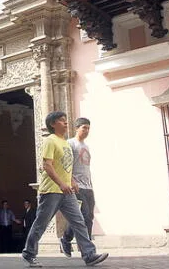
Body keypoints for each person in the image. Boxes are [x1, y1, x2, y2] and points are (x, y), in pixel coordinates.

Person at [21, 112, 108, 267]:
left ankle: (89, 255)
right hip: (51, 191)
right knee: (41, 223)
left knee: (79, 221)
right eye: (62, 121)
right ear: (53, 124)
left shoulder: (66, 143)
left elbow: (66, 167)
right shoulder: (50, 140)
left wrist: (72, 181)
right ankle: (29, 253)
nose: (66, 123)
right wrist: (61, 183)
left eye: (66, 121)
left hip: (67, 192)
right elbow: (47, 165)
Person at [60, 117, 95, 257]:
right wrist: (71, 181)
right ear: (76, 128)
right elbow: (64, 165)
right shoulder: (70, 144)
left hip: (88, 187)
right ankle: (87, 250)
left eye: (88, 128)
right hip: (75, 187)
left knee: (88, 217)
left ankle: (66, 239)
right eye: (84, 128)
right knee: (83, 216)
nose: (86, 131)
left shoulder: (86, 146)